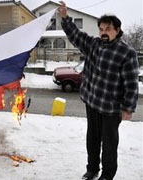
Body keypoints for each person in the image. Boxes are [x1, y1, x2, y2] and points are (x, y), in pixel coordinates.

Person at [58, 1, 139, 180]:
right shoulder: (93, 44)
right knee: (92, 140)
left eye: (108, 29)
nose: (103, 32)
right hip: (93, 103)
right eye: (101, 29)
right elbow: (75, 35)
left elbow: (131, 83)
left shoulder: (127, 53)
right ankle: (92, 169)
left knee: (109, 145)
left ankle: (107, 175)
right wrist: (65, 17)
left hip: (111, 109)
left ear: (117, 30)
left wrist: (128, 107)